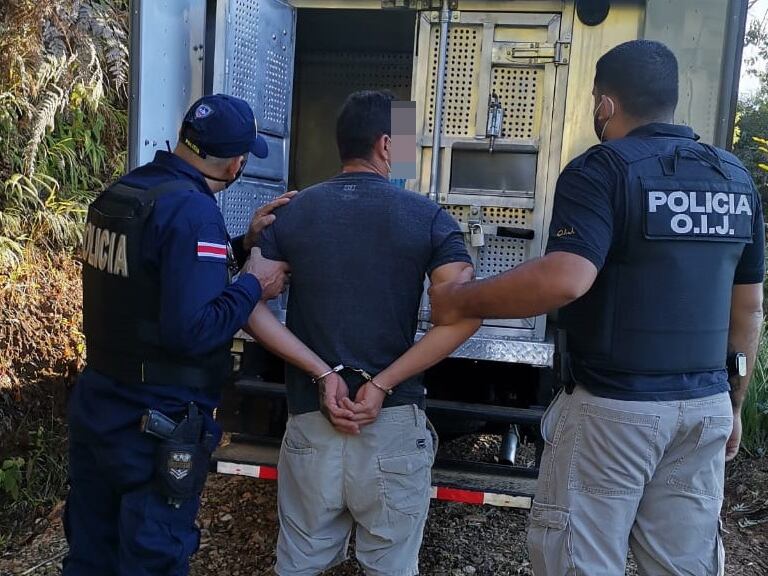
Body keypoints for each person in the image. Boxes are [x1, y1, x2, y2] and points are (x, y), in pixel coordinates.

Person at [429, 40, 765, 575]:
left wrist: (458, 300)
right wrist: (734, 404)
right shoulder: (734, 179)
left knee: (579, 560)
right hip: (704, 406)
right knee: (684, 564)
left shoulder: (602, 169)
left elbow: (565, 279)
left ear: (605, 104)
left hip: (615, 409)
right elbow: (747, 308)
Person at [64, 94, 293, 576]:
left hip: (101, 403)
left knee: (92, 553)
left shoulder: (125, 193)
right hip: (155, 420)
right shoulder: (193, 212)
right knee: (153, 558)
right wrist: (255, 284)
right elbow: (192, 330)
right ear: (235, 162)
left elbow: (154, 277)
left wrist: (239, 245)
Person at [254, 90, 480, 576]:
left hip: (312, 418)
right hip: (391, 425)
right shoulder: (429, 218)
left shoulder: (291, 214)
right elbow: (464, 315)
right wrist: (380, 384)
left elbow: (249, 308)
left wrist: (321, 373)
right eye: (405, 140)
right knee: (391, 566)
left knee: (298, 563)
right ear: (384, 144)